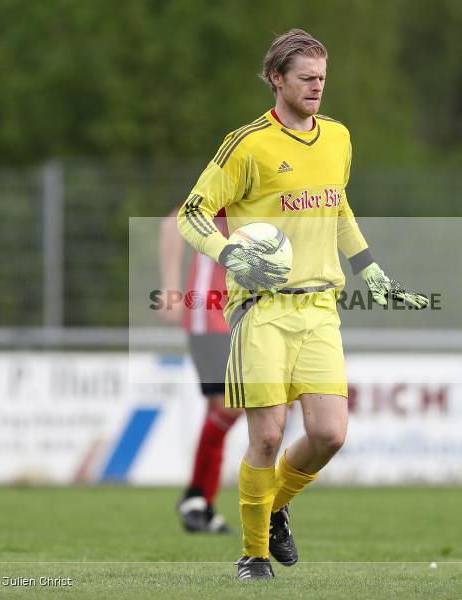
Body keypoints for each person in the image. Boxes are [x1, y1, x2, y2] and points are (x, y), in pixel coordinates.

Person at [176, 29, 428, 580]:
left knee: (329, 434)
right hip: (261, 308)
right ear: (276, 79)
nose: (317, 87)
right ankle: (253, 556)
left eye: (322, 77)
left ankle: (274, 506)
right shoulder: (246, 145)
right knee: (266, 435)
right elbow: (191, 214)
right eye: (306, 78)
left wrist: (371, 268)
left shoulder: (338, 137)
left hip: (320, 307)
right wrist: (227, 254)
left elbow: (337, 208)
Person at [158, 206, 243, 534]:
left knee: (221, 410)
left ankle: (202, 505)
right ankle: (196, 495)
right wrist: (170, 288)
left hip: (237, 319)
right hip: (209, 316)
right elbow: (171, 224)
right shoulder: (224, 188)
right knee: (230, 405)